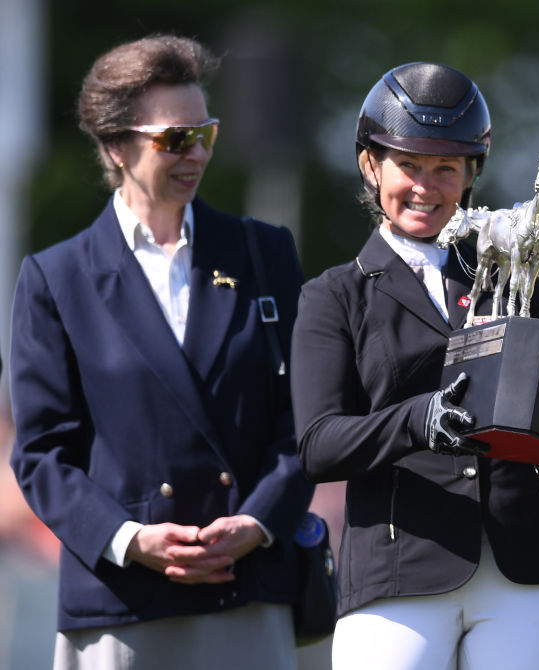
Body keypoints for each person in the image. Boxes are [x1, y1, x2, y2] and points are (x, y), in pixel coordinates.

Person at [8, 35, 313, 670]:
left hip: (248, 589)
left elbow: (305, 422)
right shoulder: (55, 278)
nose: (196, 153)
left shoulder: (264, 252)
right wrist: (130, 539)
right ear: (116, 146)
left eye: (206, 133)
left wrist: (257, 524)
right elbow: (42, 455)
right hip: (122, 599)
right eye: (175, 138)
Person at [290, 61, 539, 670]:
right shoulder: (334, 295)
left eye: (446, 169)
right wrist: (418, 420)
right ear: (371, 165)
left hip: (526, 563)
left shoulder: (515, 276)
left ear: (470, 174)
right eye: (409, 166)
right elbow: (318, 444)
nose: (426, 187)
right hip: (400, 567)